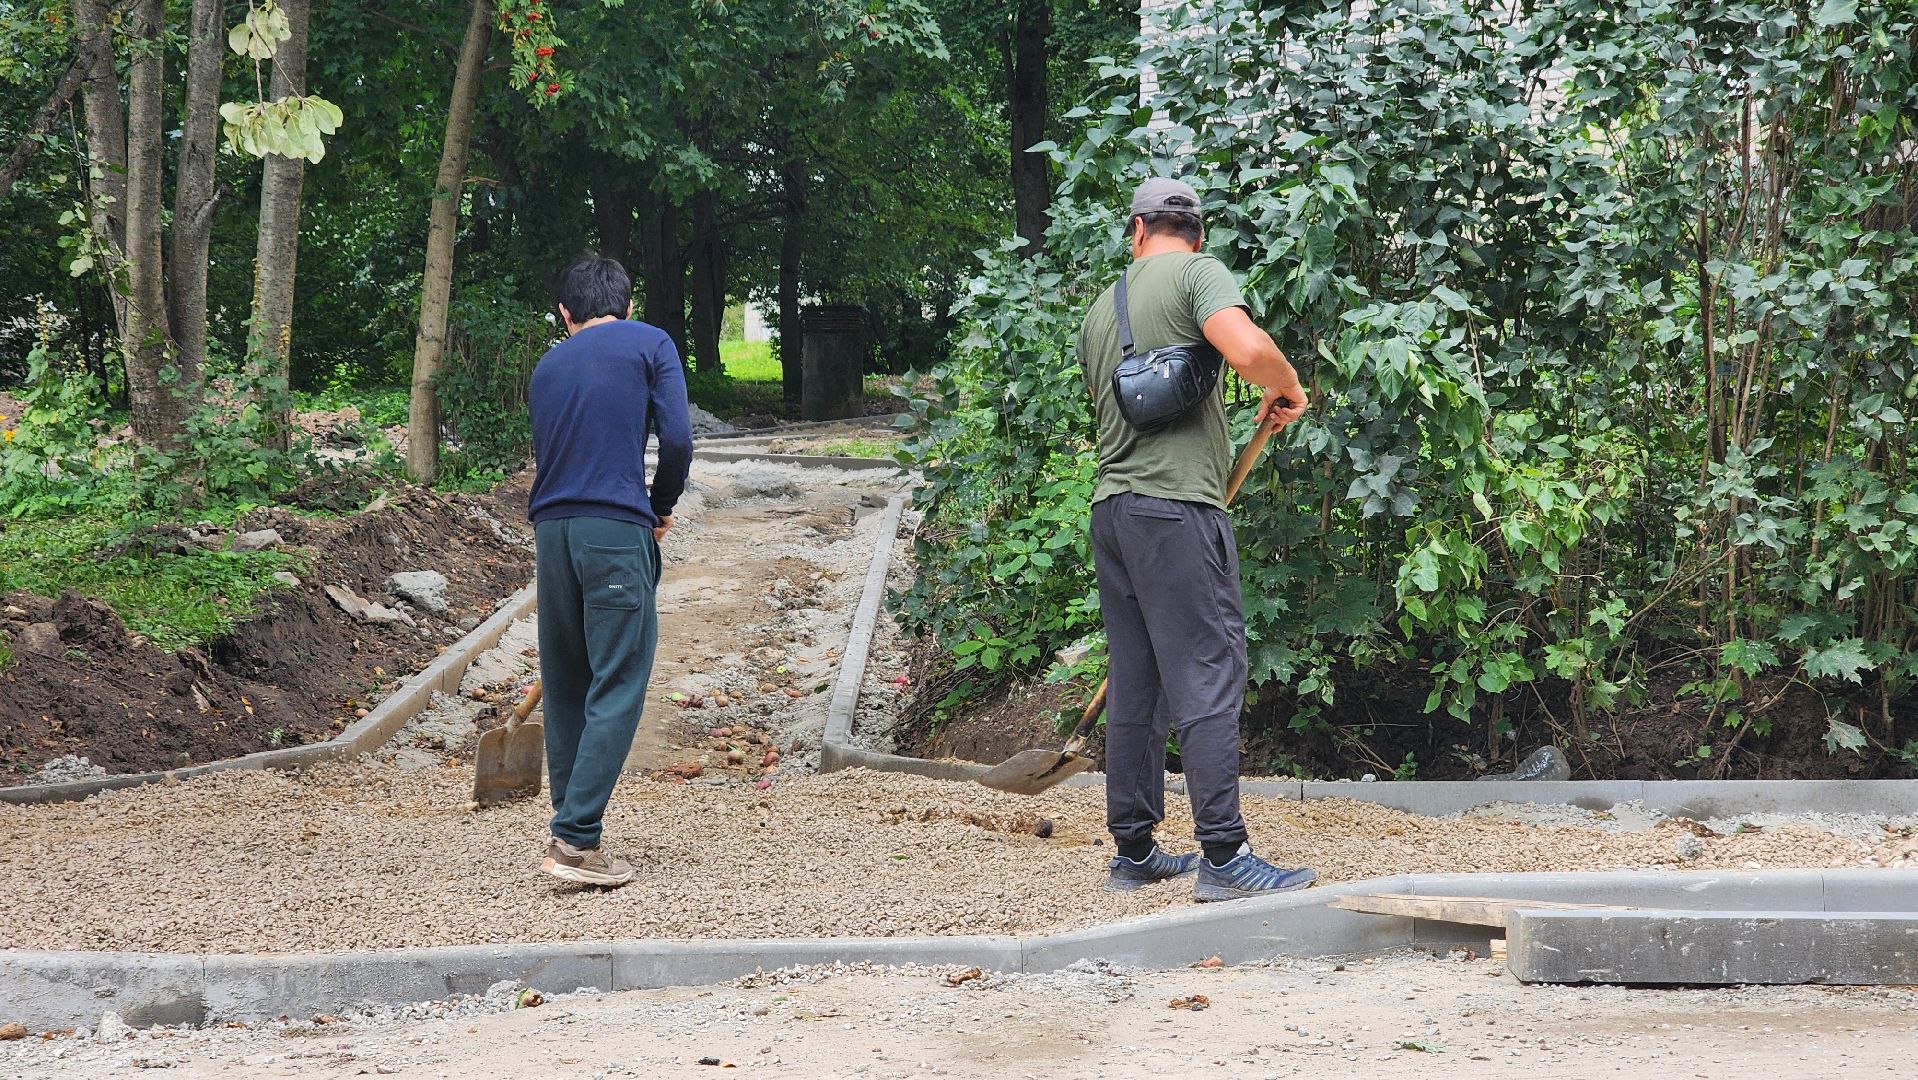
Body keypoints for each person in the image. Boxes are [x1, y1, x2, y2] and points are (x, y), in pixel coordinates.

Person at [1077, 177, 1317, 901]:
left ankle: (1134, 849)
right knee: (1210, 670)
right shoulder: (1198, 273)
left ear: (1136, 231)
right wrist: (1287, 385)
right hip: (1177, 513)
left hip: (1114, 514)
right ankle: (1223, 857)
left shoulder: (1101, 308)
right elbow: (1244, 347)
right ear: (1196, 234)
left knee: (1139, 681)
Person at [526, 253, 693, 887]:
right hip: (615, 535)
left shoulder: (547, 365)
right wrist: (659, 506)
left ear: (565, 313)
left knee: (567, 682)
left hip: (552, 535)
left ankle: (573, 831)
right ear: (626, 303)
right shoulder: (650, 343)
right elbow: (676, 441)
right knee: (619, 681)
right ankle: (573, 844)